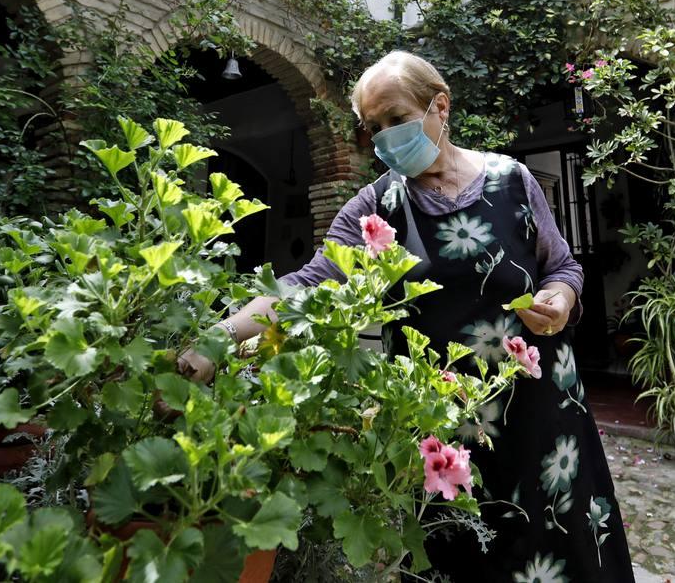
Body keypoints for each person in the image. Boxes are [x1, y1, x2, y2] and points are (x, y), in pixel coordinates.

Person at [179, 50, 633, 582]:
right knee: (472, 557)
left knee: (566, 546)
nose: (384, 137)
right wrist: (218, 338)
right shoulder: (375, 210)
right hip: (449, 435)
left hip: (546, 414)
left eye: (396, 119)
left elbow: (562, 266)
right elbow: (304, 285)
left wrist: (560, 298)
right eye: (374, 127)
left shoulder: (512, 182)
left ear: (439, 106)